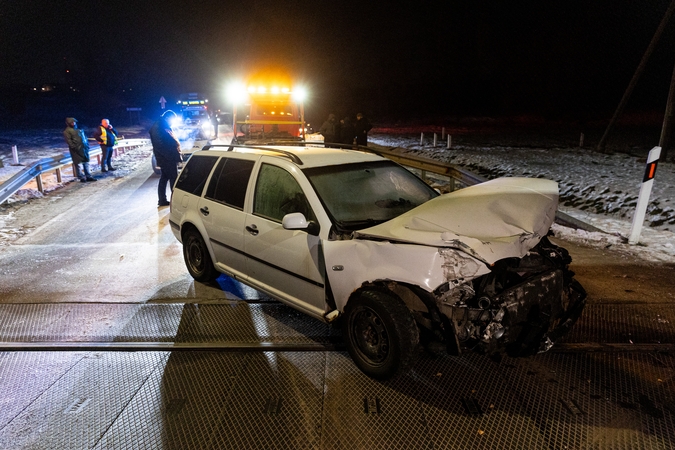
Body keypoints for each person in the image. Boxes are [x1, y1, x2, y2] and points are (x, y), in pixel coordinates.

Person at [149, 111, 182, 207]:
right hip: (167, 158)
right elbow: (161, 145)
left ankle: (163, 200)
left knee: (164, 178)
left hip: (166, 158)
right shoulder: (160, 127)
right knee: (173, 178)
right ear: (168, 118)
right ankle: (175, 200)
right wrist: (170, 157)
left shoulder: (161, 125)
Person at [63, 117, 96, 182]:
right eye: (72, 122)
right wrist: (75, 148)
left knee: (86, 162)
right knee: (77, 164)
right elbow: (69, 141)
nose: (73, 123)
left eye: (74, 122)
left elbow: (85, 138)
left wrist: (87, 146)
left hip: (84, 148)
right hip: (76, 150)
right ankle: (81, 177)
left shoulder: (79, 129)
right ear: (68, 123)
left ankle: (88, 176)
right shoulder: (67, 131)